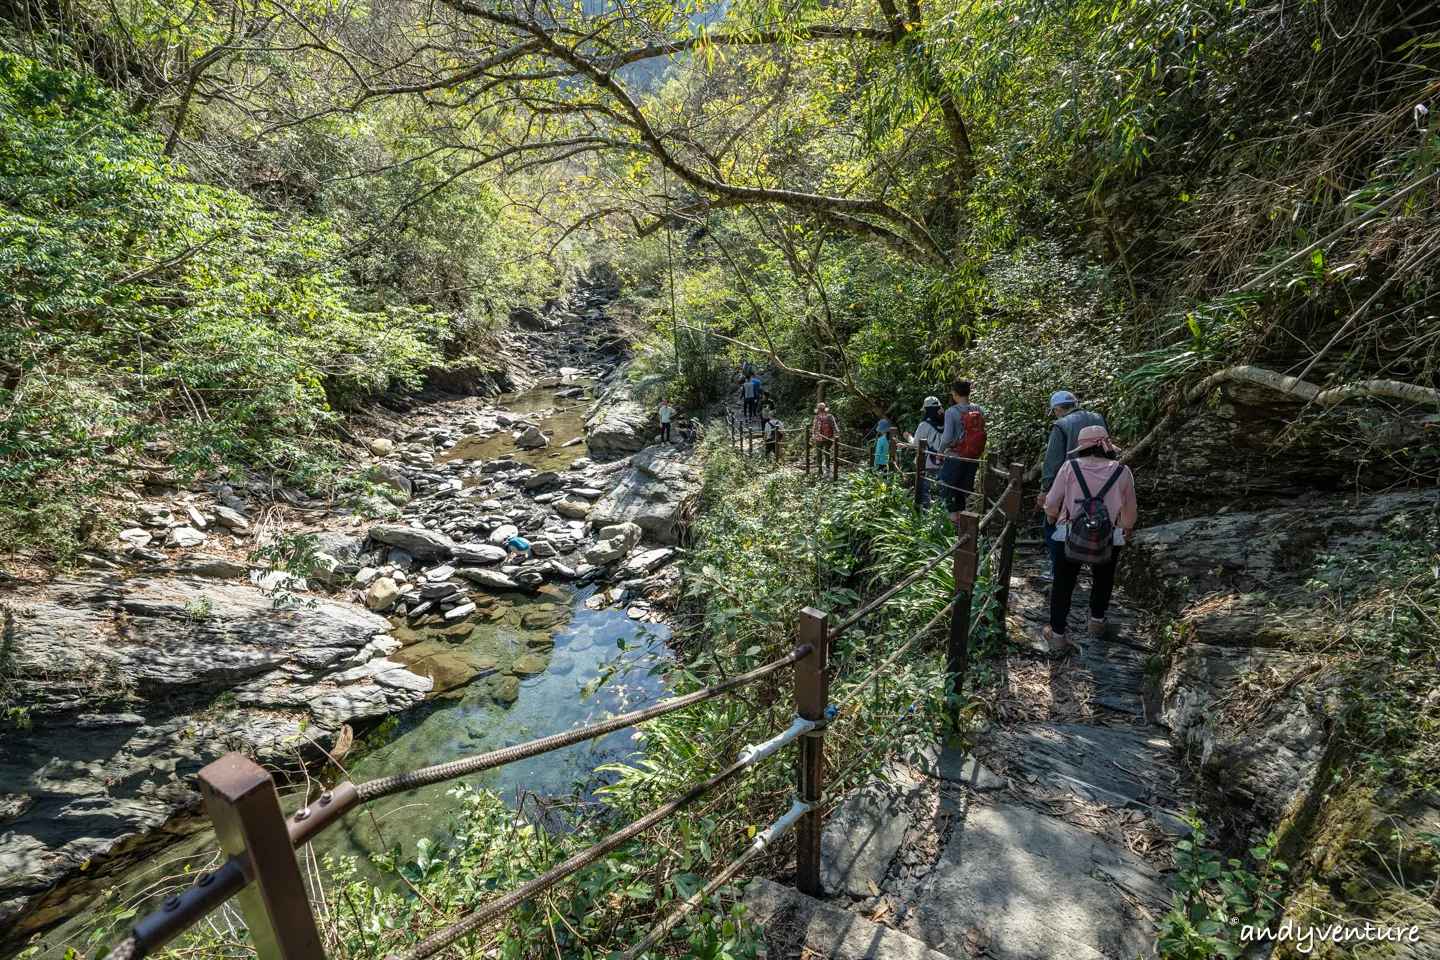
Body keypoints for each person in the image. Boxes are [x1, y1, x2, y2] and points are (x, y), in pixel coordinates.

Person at [1042, 425, 1136, 653]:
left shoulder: (1070, 467)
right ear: (1106, 446)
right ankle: (1096, 620)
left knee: (1063, 584)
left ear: (1083, 447)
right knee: (1103, 578)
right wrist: (1128, 528)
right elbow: (1130, 509)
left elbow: (1053, 500)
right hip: (1108, 535)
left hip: (1071, 533)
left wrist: (1052, 514)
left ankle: (1057, 634)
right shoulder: (1122, 471)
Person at [1036, 391, 1108, 581]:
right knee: (1097, 522)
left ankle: (1058, 570)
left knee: (1053, 526)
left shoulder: (1061, 425)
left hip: (1072, 483)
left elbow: (1052, 461)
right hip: (1103, 483)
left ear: (1058, 409)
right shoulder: (1098, 418)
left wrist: (1046, 489)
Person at [936, 379, 984, 521]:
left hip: (955, 456)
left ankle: (953, 524)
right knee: (961, 492)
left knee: (945, 490)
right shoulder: (978, 410)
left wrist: (940, 451)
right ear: (969, 392)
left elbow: (946, 438)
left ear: (955, 394)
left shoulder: (951, 412)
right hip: (972, 458)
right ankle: (962, 526)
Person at [904, 396, 944, 505]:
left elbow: (916, 444)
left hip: (926, 462)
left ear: (926, 410)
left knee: (924, 488)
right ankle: (943, 513)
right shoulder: (946, 424)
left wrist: (908, 437)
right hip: (941, 461)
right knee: (942, 489)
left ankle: (924, 513)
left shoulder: (924, 425)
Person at [812, 402, 839, 474]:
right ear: (825, 409)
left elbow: (814, 429)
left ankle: (820, 470)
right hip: (828, 438)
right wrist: (837, 434)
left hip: (819, 438)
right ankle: (827, 470)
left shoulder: (816, 418)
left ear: (818, 409)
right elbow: (834, 426)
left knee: (819, 454)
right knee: (827, 453)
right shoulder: (830, 416)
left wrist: (814, 437)